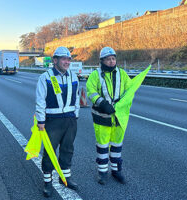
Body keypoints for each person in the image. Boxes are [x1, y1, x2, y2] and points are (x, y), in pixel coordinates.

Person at [35, 46, 80, 197]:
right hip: (52, 121)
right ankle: (47, 182)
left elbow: (77, 98)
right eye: (63, 59)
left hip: (70, 120)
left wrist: (75, 115)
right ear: (55, 60)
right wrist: (41, 120)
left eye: (68, 59)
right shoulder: (45, 77)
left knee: (68, 149)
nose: (67, 62)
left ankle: (65, 177)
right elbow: (40, 101)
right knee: (49, 151)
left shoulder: (73, 76)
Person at [86, 47, 131, 185]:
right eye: (108, 59)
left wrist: (122, 105)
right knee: (102, 146)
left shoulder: (122, 74)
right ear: (102, 61)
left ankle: (117, 171)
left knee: (117, 145)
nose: (111, 61)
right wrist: (102, 103)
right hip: (102, 117)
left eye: (113, 58)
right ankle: (102, 172)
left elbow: (130, 91)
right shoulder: (95, 75)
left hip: (119, 118)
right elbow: (91, 91)